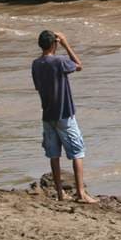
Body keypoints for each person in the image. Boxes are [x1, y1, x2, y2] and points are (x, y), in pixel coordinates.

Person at [32, 30, 97, 204]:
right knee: (77, 152)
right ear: (54, 44)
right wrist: (66, 44)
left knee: (54, 154)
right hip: (64, 113)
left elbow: (38, 88)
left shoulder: (36, 64)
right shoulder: (59, 61)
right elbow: (79, 65)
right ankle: (81, 194)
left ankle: (60, 194)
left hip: (47, 114)